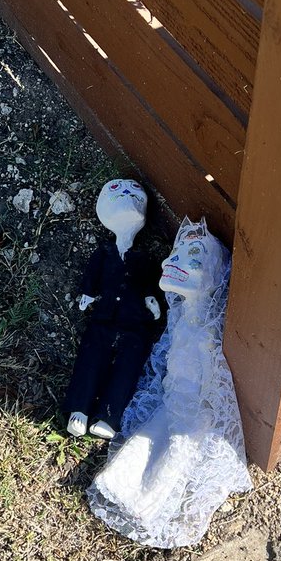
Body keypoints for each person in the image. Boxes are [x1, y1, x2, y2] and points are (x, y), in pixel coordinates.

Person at [87, 217, 252, 547]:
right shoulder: (182, 318)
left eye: (190, 258)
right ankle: (125, 487)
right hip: (172, 396)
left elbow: (215, 381)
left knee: (174, 456)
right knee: (145, 443)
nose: (169, 262)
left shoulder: (208, 334)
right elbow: (166, 354)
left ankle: (149, 504)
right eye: (174, 254)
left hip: (192, 411)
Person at [63, 178, 162, 440]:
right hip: (104, 316)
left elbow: (150, 283)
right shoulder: (104, 253)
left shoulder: (145, 259)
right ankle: (80, 409)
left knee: (127, 367)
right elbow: (92, 276)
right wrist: (87, 294)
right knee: (91, 358)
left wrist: (151, 299)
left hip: (135, 321)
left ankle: (110, 414)